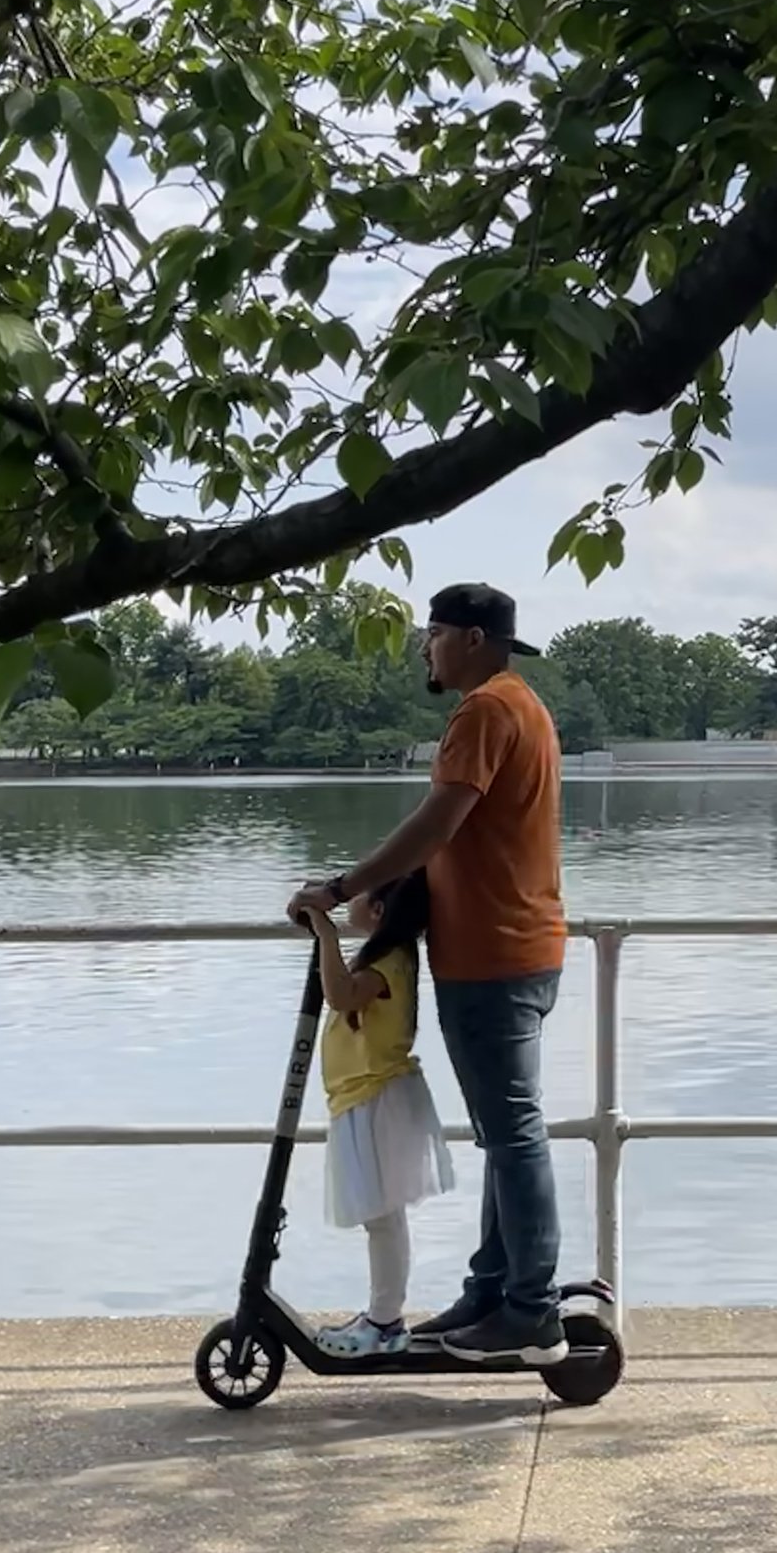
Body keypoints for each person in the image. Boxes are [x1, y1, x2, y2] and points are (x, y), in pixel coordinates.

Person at [287, 582, 568, 1365]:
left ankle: (532, 1307)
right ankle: (492, 1287)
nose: (426, 649)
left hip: (493, 952)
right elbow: (452, 836)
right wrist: (386, 887)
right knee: (504, 1130)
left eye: (435, 634)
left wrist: (340, 889)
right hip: (521, 945)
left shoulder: (484, 711)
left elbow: (436, 821)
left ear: (472, 639)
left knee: (513, 1134)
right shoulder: (525, 706)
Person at [297, 871, 453, 1359]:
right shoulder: (391, 954)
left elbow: (341, 995)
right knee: (383, 1219)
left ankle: (385, 1322)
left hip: (376, 1097)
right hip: (366, 1095)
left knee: (383, 1218)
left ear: (379, 911)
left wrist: (326, 934)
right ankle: (383, 1315)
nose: (352, 901)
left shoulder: (388, 959)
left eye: (359, 895)